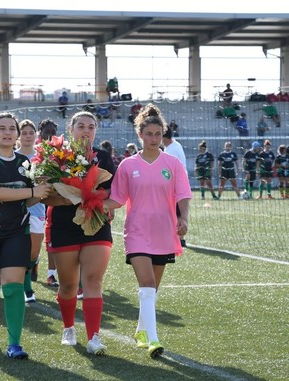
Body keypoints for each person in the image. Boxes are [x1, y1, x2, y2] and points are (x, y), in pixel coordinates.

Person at [104, 103, 192, 359]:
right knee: (147, 284)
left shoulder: (172, 164)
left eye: (157, 134)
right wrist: (90, 202)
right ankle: (153, 340)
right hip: (137, 232)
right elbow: (117, 199)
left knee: (153, 289)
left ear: (162, 135)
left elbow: (183, 195)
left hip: (164, 232)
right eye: (148, 134)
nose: (153, 138)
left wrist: (183, 218)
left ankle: (141, 331)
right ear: (140, 135)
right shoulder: (128, 165)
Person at [0, 111, 50, 359]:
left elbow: (27, 201)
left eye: (11, 128)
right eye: (1, 128)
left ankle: (15, 343)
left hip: (17, 231)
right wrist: (32, 191)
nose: (7, 132)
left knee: (14, 287)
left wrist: (48, 189)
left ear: (17, 134)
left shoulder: (27, 164)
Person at [44, 111, 116, 355]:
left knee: (93, 280)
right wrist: (69, 198)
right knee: (68, 286)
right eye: (81, 126)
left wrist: (96, 200)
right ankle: (68, 328)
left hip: (95, 223)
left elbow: (111, 192)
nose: (86, 130)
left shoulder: (104, 157)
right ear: (71, 129)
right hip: (63, 225)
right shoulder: (55, 156)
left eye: (91, 126)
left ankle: (94, 337)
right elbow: (44, 194)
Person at [16, 119, 45, 304]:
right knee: (19, 250)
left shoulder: (42, 156)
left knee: (33, 253)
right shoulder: (13, 156)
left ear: (36, 135)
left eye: (30, 132)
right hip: (16, 210)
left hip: (38, 209)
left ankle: (31, 269)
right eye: (24, 132)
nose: (28, 136)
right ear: (19, 136)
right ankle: (26, 288)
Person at [36, 119, 59, 286]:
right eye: (47, 132)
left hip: (52, 200)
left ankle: (51, 274)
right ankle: (32, 263)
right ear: (40, 133)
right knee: (32, 239)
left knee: (51, 236)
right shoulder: (35, 150)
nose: (50, 136)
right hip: (34, 201)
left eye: (53, 132)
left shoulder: (60, 152)